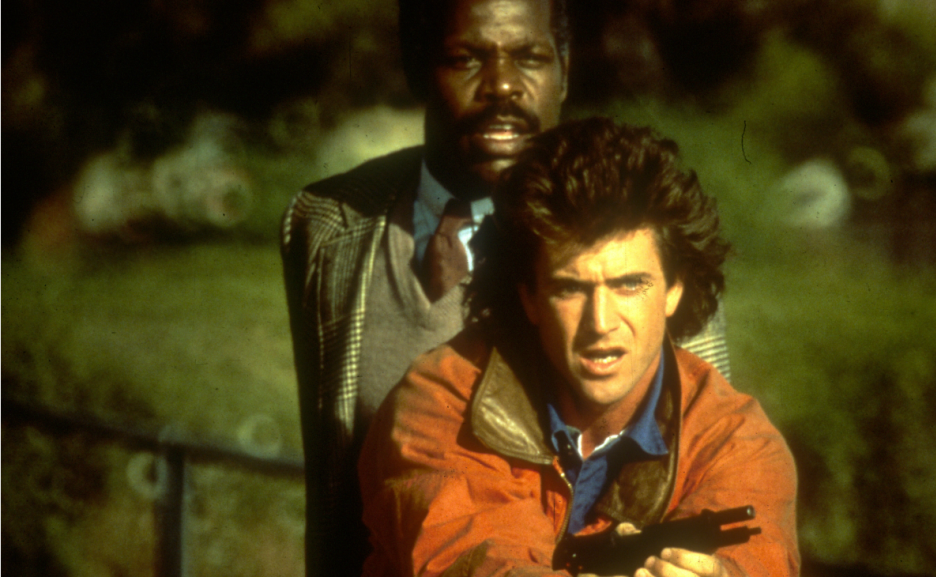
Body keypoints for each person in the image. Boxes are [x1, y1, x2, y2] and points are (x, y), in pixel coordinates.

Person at [281, 0, 728, 574]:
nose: (502, 86)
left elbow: (703, 466)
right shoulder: (324, 225)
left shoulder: (651, 246)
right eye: (466, 58)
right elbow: (329, 481)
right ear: (417, 66)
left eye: (529, 57)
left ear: (564, 68)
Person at [358, 118, 798, 577]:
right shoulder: (443, 399)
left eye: (629, 285)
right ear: (529, 297)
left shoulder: (735, 439)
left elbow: (758, 552)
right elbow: (481, 558)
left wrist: (723, 573)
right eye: (569, 289)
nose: (600, 323)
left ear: (674, 290)